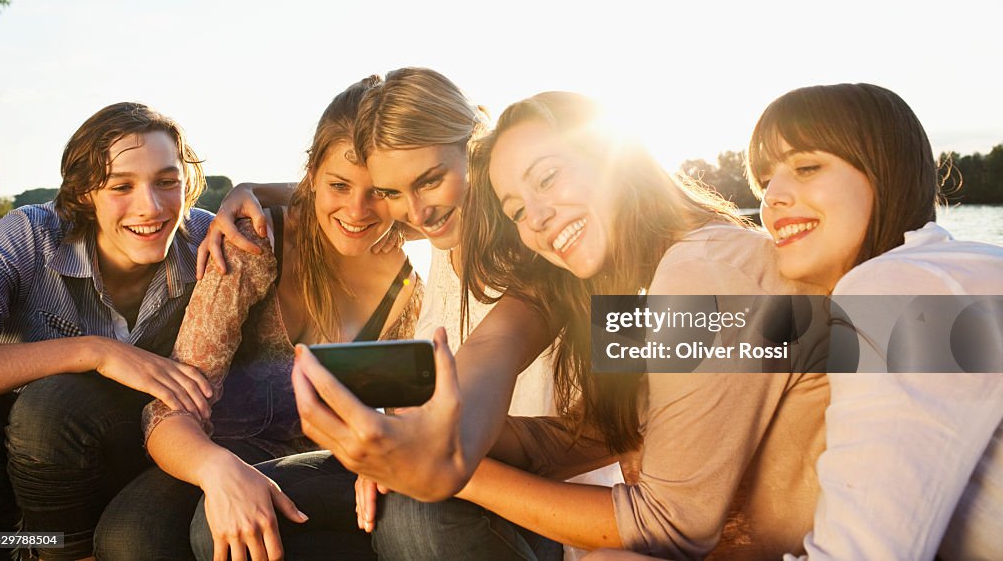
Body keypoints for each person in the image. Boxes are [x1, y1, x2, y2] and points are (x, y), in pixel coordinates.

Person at [294, 91, 830, 559]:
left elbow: (670, 526)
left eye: (548, 177)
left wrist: (458, 473)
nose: (539, 218)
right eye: (518, 210)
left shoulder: (705, 269)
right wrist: (420, 435)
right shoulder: (645, 280)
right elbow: (590, 437)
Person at [190, 67, 565, 561]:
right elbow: (349, 202)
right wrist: (254, 192)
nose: (416, 211)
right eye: (395, 194)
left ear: (476, 151)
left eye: (430, 181)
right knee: (220, 525)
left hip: (526, 480)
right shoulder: (432, 231)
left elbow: (496, 357)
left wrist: (420, 451)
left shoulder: (544, 252)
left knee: (411, 520)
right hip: (465, 455)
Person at [95, 76, 423, 561]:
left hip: (323, 464)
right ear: (312, 174)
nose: (357, 210)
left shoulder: (408, 285)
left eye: (378, 191)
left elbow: (394, 415)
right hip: (213, 446)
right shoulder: (254, 242)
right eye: (338, 185)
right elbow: (172, 408)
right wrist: (218, 470)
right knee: (130, 539)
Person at [744, 82, 1003, 560]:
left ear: (885, 173)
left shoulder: (895, 285)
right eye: (764, 183)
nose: (772, 197)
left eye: (805, 167)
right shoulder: (949, 269)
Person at [0, 102, 214, 561]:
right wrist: (94, 351)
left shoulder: (206, 242)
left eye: (168, 182)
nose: (151, 206)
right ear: (86, 192)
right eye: (120, 186)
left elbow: (322, 209)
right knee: (44, 404)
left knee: (59, 409)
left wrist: (253, 190)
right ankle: (32, 550)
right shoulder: (29, 236)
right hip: (19, 453)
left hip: (141, 440)